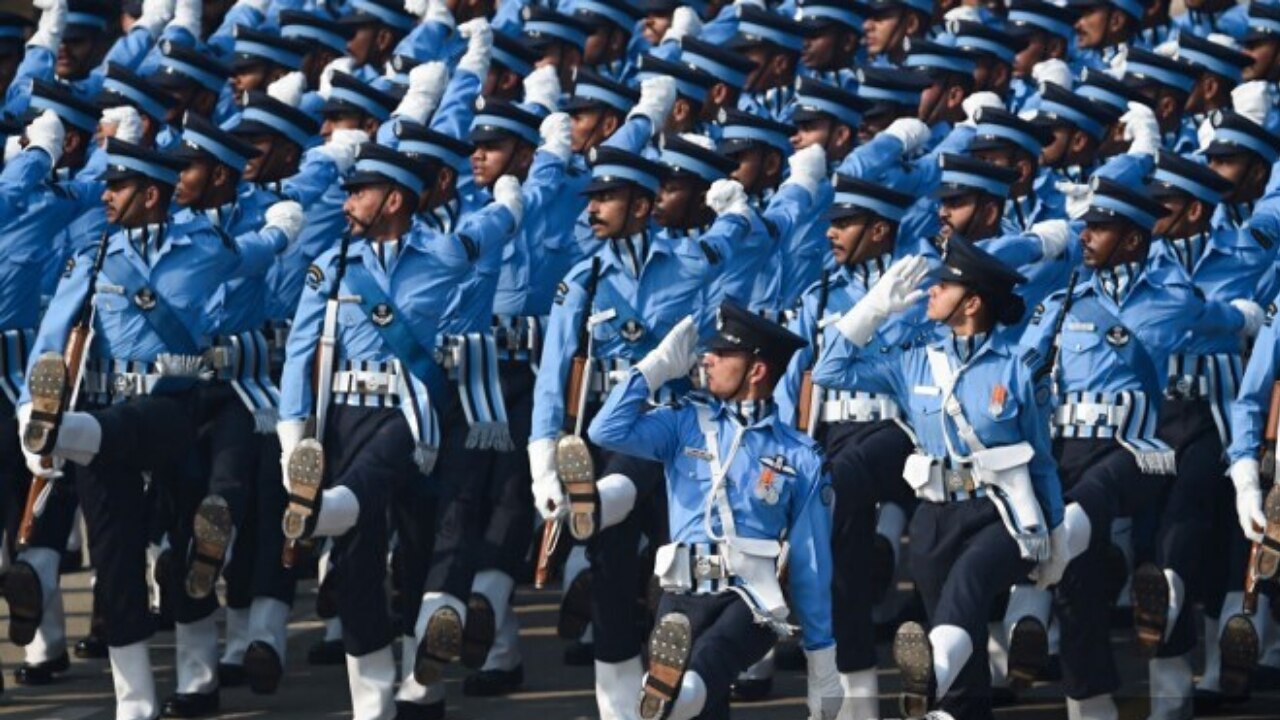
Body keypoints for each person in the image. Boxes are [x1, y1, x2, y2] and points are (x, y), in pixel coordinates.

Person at [813, 238, 1064, 720]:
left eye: (944, 284)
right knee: (958, 644)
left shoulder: (1015, 367)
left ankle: (930, 677)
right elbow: (830, 370)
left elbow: (1041, 459)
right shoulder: (915, 360)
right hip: (933, 515)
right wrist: (871, 309)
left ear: (972, 302)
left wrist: (1054, 533)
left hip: (1001, 513)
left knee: (965, 592)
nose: (931, 290)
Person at [588, 302, 839, 720]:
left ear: (756, 371)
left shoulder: (800, 455)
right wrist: (652, 368)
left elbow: (812, 565)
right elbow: (605, 430)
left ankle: (670, 697)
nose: (708, 358)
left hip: (750, 600)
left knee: (707, 665)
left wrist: (822, 661)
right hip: (679, 596)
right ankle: (671, 698)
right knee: (705, 708)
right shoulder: (685, 422)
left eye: (722, 354)